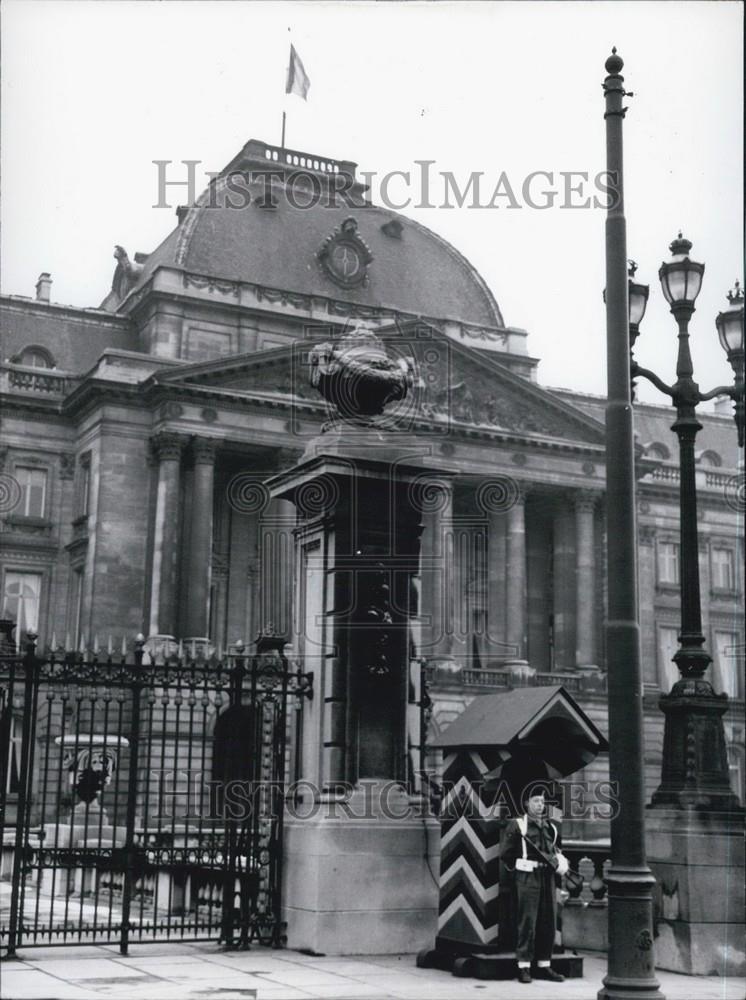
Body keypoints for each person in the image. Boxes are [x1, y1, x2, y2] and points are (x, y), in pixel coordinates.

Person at [500, 788, 567, 984]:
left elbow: (555, 851)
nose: (540, 805)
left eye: (542, 801)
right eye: (536, 801)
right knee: (527, 920)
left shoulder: (550, 827)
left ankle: (544, 965)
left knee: (548, 921)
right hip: (527, 877)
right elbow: (506, 854)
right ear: (526, 804)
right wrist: (521, 868)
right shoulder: (518, 825)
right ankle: (524, 966)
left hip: (547, 877)